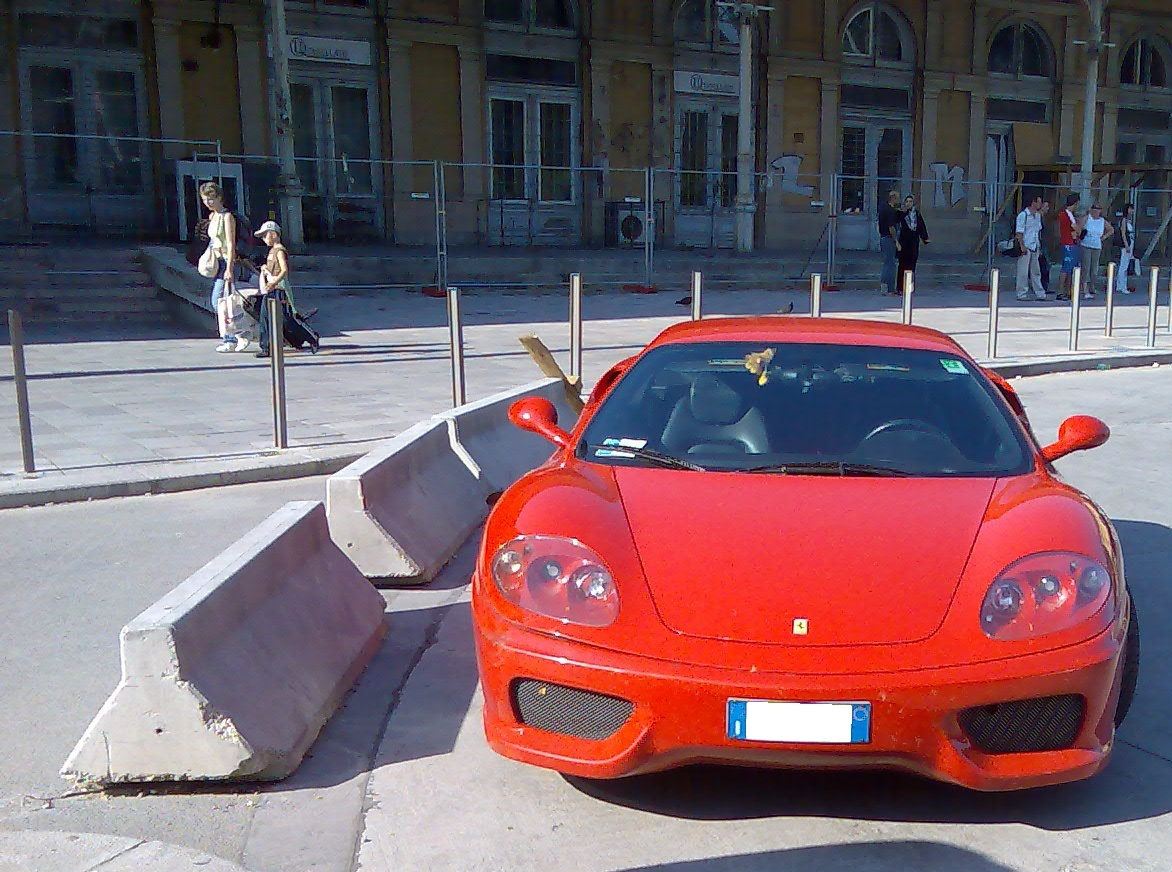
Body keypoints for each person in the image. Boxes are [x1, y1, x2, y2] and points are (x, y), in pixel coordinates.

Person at [198, 181, 250, 353]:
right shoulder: (213, 217)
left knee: (220, 302)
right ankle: (237, 334)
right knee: (222, 302)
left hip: (227, 262)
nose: (208, 203)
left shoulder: (227, 217)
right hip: (217, 261)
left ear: (219, 197)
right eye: (205, 199)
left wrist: (229, 268)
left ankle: (235, 336)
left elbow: (230, 242)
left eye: (211, 199)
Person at [253, 220, 291, 359]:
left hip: (277, 289)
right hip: (271, 288)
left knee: (268, 317)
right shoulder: (272, 251)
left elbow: (284, 270)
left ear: (274, 234)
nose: (263, 239)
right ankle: (268, 345)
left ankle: (267, 346)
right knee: (266, 317)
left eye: (265, 235)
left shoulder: (279, 251)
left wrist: (274, 281)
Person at [1077, 203, 1114, 299]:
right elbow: (1078, 228)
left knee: (1094, 268)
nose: (1096, 211)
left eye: (1098, 209)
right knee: (1086, 266)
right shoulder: (1087, 218)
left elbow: (1111, 229)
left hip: (1096, 246)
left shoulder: (1102, 221)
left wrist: (1103, 237)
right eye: (1094, 209)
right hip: (1086, 244)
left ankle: (1092, 287)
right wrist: (1080, 236)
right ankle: (1084, 288)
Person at [895, 194, 930, 294]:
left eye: (910, 202)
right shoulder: (901, 214)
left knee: (911, 266)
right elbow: (894, 222)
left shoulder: (916, 214)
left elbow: (921, 227)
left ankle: (909, 287)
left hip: (913, 243)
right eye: (907, 202)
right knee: (902, 266)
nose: (908, 203)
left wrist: (925, 238)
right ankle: (900, 288)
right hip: (904, 242)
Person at [1014, 195, 1046, 301]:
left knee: (1036, 271)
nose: (1040, 205)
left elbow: (1037, 232)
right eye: (1039, 202)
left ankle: (1040, 293)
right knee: (1023, 272)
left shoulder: (1037, 216)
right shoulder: (1023, 215)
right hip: (1026, 247)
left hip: (1034, 246)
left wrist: (1038, 246)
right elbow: (1019, 232)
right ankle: (1021, 293)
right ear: (1033, 203)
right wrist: (1022, 246)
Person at [1056, 194, 1081, 300]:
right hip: (1069, 243)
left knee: (1070, 268)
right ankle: (1061, 291)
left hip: (1069, 242)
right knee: (1066, 268)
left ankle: (1068, 290)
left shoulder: (1065, 214)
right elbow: (1076, 229)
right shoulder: (1067, 215)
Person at [877, 189, 901, 296]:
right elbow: (891, 227)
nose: (898, 200)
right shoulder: (890, 211)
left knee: (888, 262)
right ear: (893, 198)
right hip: (888, 238)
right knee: (890, 264)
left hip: (883, 237)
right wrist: (896, 241)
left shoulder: (883, 209)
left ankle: (885, 287)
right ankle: (889, 288)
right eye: (897, 198)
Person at [1117, 203, 1137, 295]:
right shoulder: (1124, 220)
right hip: (1127, 244)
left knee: (1125, 264)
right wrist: (1126, 245)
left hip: (1130, 242)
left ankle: (1119, 285)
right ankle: (1122, 286)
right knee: (1124, 266)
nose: (1132, 211)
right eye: (1130, 209)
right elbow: (1123, 233)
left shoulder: (1128, 220)